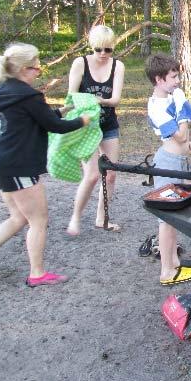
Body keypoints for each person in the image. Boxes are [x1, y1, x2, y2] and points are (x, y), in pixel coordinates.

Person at [0, 43, 91, 287]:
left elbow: (35, 117)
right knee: (38, 219)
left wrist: (60, 110)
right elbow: (54, 126)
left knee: (18, 217)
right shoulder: (29, 96)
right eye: (37, 67)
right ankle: (37, 273)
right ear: (24, 69)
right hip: (18, 167)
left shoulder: (3, 92)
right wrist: (82, 120)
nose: (39, 71)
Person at [146, 53, 191, 286]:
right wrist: (182, 109)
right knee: (166, 219)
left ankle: (175, 262)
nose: (178, 80)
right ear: (159, 79)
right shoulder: (157, 107)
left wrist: (190, 144)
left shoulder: (169, 98)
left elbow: (183, 139)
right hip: (168, 162)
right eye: (174, 76)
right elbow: (180, 134)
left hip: (177, 160)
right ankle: (166, 271)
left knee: (176, 216)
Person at [66, 25, 125, 235]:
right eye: (98, 49)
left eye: (108, 50)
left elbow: (115, 99)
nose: (102, 54)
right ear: (92, 46)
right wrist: (94, 102)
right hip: (86, 126)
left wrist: (97, 100)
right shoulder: (80, 63)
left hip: (108, 124)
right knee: (91, 175)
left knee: (111, 174)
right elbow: (72, 96)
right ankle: (75, 218)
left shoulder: (117, 66)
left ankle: (102, 218)